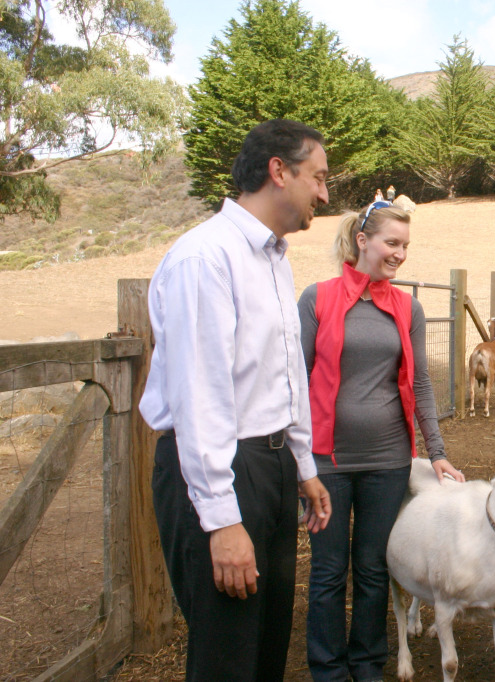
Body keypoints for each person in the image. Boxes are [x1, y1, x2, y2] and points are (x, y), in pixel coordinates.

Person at [140, 119, 334, 681]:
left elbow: (285, 373)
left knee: (267, 645)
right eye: (317, 177)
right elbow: (202, 398)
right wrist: (222, 521)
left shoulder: (274, 258)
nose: (324, 193)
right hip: (219, 470)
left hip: (268, 467)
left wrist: (301, 464)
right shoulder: (204, 258)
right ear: (280, 171)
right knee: (227, 654)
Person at [298, 199, 465, 682]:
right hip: (326, 461)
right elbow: (295, 377)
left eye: (406, 246)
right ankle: (328, 670)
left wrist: (437, 453)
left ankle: (368, 665)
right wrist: (299, 458)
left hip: (389, 460)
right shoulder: (318, 298)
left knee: (372, 569)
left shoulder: (407, 306)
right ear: (362, 241)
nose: (400, 254)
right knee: (329, 572)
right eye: (392, 243)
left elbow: (422, 383)